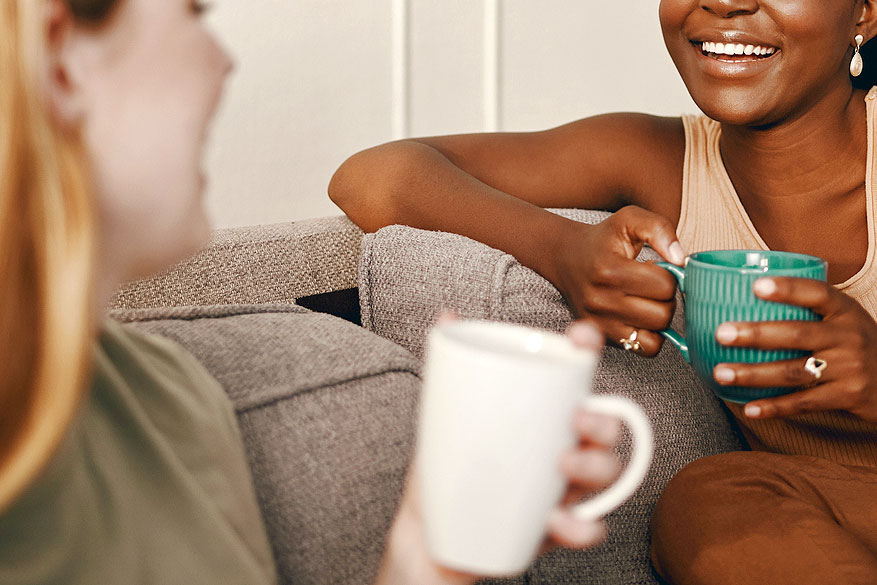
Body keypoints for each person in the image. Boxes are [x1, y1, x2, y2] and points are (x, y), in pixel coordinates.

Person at [0, 0, 625, 583]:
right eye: (193, 10)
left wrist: (423, 563)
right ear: (63, 67)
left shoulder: (173, 399)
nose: (224, 61)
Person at [329, 1, 877, 583]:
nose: (723, 1)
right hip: (818, 511)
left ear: (864, 14)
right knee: (711, 499)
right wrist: (563, 250)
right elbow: (372, 176)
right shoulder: (658, 158)